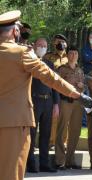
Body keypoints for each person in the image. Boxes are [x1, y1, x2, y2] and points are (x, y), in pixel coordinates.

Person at [0, 10, 92, 180]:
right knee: (11, 173)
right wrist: (77, 94)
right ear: (15, 31)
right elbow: (50, 77)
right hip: (14, 123)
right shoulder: (21, 53)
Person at [26, 38, 59, 173]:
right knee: (32, 134)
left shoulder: (50, 64)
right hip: (34, 101)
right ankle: (31, 164)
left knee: (46, 134)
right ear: (34, 46)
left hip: (48, 102)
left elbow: (55, 84)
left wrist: (56, 103)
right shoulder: (29, 62)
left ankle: (45, 164)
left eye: (45, 46)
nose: (42, 48)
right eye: (40, 45)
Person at [55, 46, 84, 170]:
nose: (73, 55)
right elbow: (56, 84)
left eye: (75, 53)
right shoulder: (61, 69)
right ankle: (60, 161)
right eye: (71, 53)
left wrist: (82, 86)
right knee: (62, 130)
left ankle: (70, 160)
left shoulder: (80, 70)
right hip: (65, 101)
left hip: (77, 103)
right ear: (67, 55)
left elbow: (83, 87)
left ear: (78, 56)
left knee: (75, 131)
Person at [44, 34, 68, 149]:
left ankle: (63, 142)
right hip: (53, 89)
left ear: (66, 44)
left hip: (65, 90)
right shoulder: (48, 57)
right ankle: (52, 142)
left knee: (65, 118)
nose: (60, 44)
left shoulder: (69, 57)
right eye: (57, 41)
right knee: (54, 116)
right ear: (53, 43)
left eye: (62, 42)